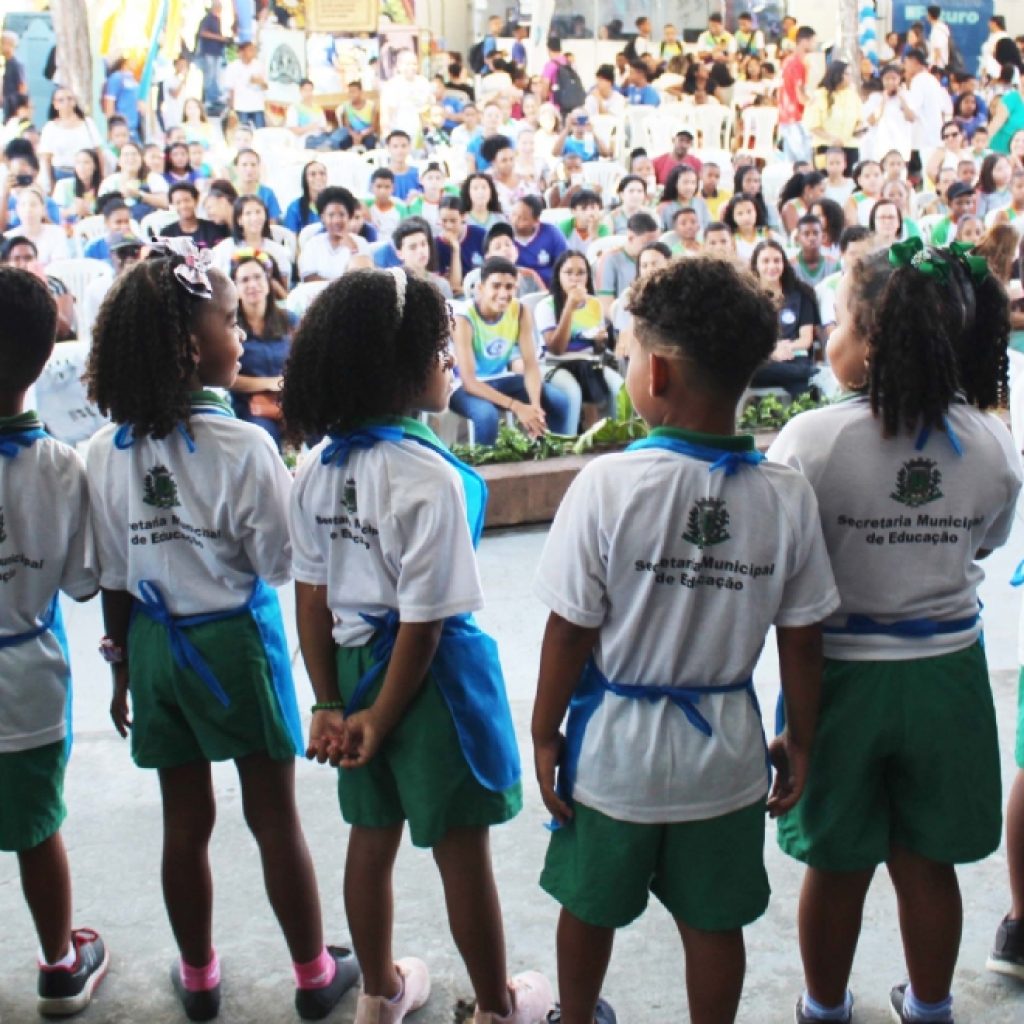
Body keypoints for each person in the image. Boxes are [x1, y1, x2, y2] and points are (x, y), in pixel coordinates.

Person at [532, 255, 838, 1024]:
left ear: (658, 373)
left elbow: (569, 630)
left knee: (589, 907)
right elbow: (802, 642)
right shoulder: (786, 495)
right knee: (714, 925)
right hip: (726, 758)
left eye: (631, 354)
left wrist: (542, 731)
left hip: (614, 759)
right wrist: (801, 739)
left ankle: (576, 1016)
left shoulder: (606, 485)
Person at [83, 239, 362, 1022]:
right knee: (273, 816)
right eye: (229, 320)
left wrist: (121, 669)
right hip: (234, 644)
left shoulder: (103, 452)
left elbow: (114, 576)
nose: (239, 334)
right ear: (189, 346)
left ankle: (200, 977)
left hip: (152, 647)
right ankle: (313, 973)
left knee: (184, 822)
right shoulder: (244, 445)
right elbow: (278, 562)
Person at [281, 266, 554, 1023]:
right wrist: (385, 714)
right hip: (427, 686)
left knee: (370, 839)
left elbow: (311, 596)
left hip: (351, 672)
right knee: (462, 853)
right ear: (398, 369)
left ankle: (379, 992)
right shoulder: (429, 476)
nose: (450, 363)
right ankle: (496, 1006)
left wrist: (330, 702)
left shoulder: (315, 466)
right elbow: (426, 621)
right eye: (439, 350)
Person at [769, 240, 1019, 1024]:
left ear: (874, 341)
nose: (831, 337)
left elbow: (787, 559)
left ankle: (824, 1007)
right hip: (946, 674)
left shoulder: (811, 441)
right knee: (926, 860)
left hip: (837, 677)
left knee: (837, 865)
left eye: (841, 322)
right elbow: (985, 541)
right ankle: (931, 1006)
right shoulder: (990, 442)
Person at [0, 264, 110, 1014]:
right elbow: (80, 584)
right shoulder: (63, 466)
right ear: (47, 357)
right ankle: (59, 964)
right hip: (29, 680)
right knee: (38, 829)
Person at [450, 257, 573, 443]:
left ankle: (553, 451)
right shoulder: (464, 318)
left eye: (509, 287)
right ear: (481, 288)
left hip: (501, 378)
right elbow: (469, 382)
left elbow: (530, 366)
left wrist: (535, 408)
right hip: (463, 387)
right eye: (496, 286)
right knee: (487, 416)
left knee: (558, 401)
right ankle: (484, 461)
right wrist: (516, 406)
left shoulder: (520, 311)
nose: (503, 293)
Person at [535, 250, 622, 429]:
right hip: (554, 364)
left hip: (588, 362)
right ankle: (570, 438)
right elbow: (556, 349)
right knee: (572, 391)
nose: (575, 279)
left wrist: (600, 341)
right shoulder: (546, 306)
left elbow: (597, 351)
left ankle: (616, 436)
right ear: (558, 276)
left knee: (619, 387)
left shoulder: (594, 304)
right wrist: (570, 306)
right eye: (568, 272)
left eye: (581, 273)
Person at [228, 249, 295, 448]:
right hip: (250, 405)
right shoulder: (229, 326)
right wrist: (270, 384)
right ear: (235, 288)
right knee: (263, 436)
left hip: (291, 398)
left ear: (268, 282)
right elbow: (228, 379)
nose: (252, 284)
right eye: (245, 280)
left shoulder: (289, 320)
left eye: (258, 277)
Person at [749, 238, 819, 399]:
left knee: (798, 381)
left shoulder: (802, 294)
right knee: (797, 376)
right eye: (765, 261)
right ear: (756, 265)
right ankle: (811, 373)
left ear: (784, 263)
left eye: (777, 260)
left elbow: (806, 339)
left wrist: (786, 348)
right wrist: (772, 351)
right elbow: (749, 340)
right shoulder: (748, 297)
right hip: (764, 359)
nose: (772, 266)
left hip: (794, 355)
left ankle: (802, 376)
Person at [211, 195, 291, 291]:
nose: (254, 218)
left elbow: (284, 290)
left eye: (258, 212)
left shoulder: (277, 250)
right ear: (239, 220)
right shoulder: (224, 248)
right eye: (248, 213)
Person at [298, 186, 372, 282]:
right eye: (331, 215)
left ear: (349, 217)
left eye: (341, 214)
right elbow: (309, 278)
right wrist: (339, 286)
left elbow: (365, 278)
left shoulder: (360, 243)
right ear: (323, 218)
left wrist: (353, 250)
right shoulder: (313, 244)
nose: (337, 221)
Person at [595, 211, 660, 315]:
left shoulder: (657, 257)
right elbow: (606, 306)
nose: (652, 248)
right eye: (646, 244)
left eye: (656, 243)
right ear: (630, 237)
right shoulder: (609, 259)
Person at [804, 61, 863, 171]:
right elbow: (813, 125)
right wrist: (831, 138)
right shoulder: (820, 95)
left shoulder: (852, 95)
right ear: (837, 75)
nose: (850, 78)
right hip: (826, 146)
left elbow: (860, 118)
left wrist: (859, 128)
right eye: (847, 74)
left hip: (850, 146)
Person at [37, 88, 102, 186]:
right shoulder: (50, 128)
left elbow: (98, 152)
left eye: (69, 98)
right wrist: (51, 184)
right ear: (55, 104)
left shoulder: (88, 124)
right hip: (61, 175)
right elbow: (46, 159)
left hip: (87, 176)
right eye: (61, 100)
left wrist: (101, 177)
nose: (66, 102)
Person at [99, 140, 169, 218]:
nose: (130, 158)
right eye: (126, 155)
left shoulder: (153, 178)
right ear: (119, 161)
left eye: (134, 154)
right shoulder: (110, 181)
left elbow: (166, 203)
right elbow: (101, 208)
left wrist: (139, 195)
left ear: (141, 159)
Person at [510, 195, 566, 288]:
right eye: (513, 214)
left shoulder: (552, 233)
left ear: (536, 221)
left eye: (523, 218)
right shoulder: (504, 235)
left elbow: (564, 263)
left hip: (549, 288)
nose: (515, 220)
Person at [779, 27, 817, 162]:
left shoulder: (788, 61)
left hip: (786, 116)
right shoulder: (797, 64)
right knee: (804, 161)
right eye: (813, 41)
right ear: (805, 41)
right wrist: (814, 104)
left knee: (791, 163)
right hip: (797, 117)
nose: (815, 45)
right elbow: (800, 94)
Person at [3, 186, 67, 266]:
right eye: (23, 205)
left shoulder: (57, 233)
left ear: (43, 209)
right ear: (17, 210)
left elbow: (59, 265)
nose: (28, 209)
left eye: (33, 205)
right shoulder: (8, 237)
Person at [435, 195, 485, 294]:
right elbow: (453, 287)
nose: (449, 226)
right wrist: (455, 249)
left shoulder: (480, 234)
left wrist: (465, 290)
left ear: (463, 217)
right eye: (444, 221)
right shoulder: (436, 245)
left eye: (453, 221)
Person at [164, 182, 229, 249]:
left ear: (196, 200)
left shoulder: (216, 228)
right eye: (178, 202)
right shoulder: (167, 234)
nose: (183, 206)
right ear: (172, 205)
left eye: (187, 200)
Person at [196, 0, 231, 113]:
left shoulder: (218, 20)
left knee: (216, 77)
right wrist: (219, 38)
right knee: (209, 76)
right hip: (209, 52)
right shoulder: (208, 19)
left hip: (217, 52)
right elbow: (203, 33)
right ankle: (208, 100)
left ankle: (214, 99)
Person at [223, 41, 268, 129]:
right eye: (250, 50)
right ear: (241, 52)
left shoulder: (259, 65)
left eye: (254, 50)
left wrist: (260, 82)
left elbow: (266, 87)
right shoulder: (232, 67)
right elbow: (231, 89)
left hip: (257, 106)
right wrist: (232, 108)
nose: (253, 52)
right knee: (243, 131)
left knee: (261, 132)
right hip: (240, 107)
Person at [51, 148, 102, 224]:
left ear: (95, 166)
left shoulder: (103, 187)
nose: (82, 167)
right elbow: (54, 213)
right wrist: (72, 210)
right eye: (78, 162)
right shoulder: (63, 185)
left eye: (86, 162)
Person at [723, 193, 773, 265]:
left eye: (749, 212)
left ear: (756, 212)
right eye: (740, 213)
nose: (746, 218)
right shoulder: (731, 237)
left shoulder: (765, 232)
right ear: (732, 216)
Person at [232, 149, 281, 222]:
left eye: (253, 165)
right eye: (244, 165)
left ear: (259, 167)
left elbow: (272, 223)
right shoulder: (228, 192)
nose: (249, 169)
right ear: (236, 168)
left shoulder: (267, 193)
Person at [101, 58, 143, 140]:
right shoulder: (116, 78)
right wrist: (111, 128)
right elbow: (109, 105)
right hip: (121, 129)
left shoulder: (132, 79)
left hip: (133, 129)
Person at [792, 214, 839, 287]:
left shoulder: (834, 265)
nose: (812, 238)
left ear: (823, 237)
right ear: (797, 239)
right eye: (806, 234)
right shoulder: (790, 267)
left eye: (815, 233)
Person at [283, 161, 328, 235]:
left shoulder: (336, 205)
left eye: (322, 173)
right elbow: (291, 238)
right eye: (313, 174)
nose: (318, 177)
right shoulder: (294, 207)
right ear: (305, 179)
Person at [338, 79, 378, 152]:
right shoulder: (346, 106)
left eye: (353, 92)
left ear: (361, 92)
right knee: (342, 144)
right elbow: (347, 126)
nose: (351, 95)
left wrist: (361, 136)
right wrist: (354, 136)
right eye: (349, 92)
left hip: (367, 134)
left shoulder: (371, 105)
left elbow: (373, 127)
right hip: (353, 134)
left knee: (370, 144)